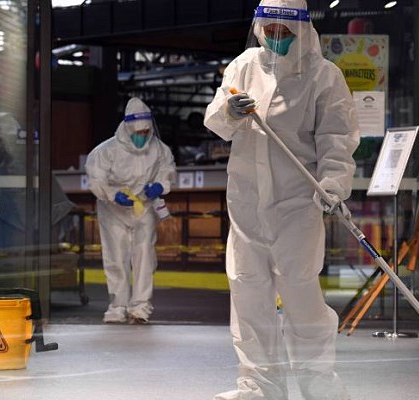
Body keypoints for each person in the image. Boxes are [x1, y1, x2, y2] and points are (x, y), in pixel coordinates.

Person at [204, 1, 360, 399]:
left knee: (300, 292)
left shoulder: (324, 76)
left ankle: (317, 382)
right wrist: (229, 111)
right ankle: (259, 385)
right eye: (269, 31)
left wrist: (333, 184)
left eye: (284, 33)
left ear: (302, 30)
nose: (275, 39)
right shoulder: (244, 66)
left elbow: (337, 139)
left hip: (298, 204)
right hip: (246, 202)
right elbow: (216, 121)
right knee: (248, 292)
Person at [85, 97, 176, 324]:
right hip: (113, 210)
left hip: (144, 207)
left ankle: (141, 308)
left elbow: (167, 171)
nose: (142, 136)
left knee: (145, 257)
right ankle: (118, 306)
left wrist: (160, 185)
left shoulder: (160, 150)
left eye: (145, 132)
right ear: (127, 128)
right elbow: (96, 179)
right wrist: (112, 194)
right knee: (116, 257)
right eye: (138, 132)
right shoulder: (106, 151)